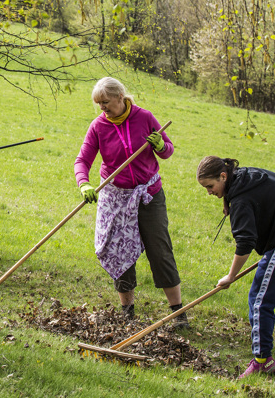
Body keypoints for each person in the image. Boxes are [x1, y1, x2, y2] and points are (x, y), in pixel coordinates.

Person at [74, 77, 189, 328]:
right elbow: (82, 161)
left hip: (149, 195)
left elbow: (168, 150)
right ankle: (127, 312)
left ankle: (178, 312)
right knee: (118, 251)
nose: (102, 108)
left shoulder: (144, 117)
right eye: (98, 104)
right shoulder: (98, 127)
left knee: (160, 250)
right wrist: (84, 183)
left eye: (106, 102)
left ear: (120, 97)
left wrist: (160, 144)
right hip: (115, 197)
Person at [197, 156, 275, 378]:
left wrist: (230, 276)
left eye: (210, 186)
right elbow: (253, 197)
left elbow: (245, 242)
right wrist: (227, 199)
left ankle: (262, 360)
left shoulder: (241, 201)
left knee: (259, 301)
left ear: (223, 176)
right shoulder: (244, 176)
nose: (209, 192)